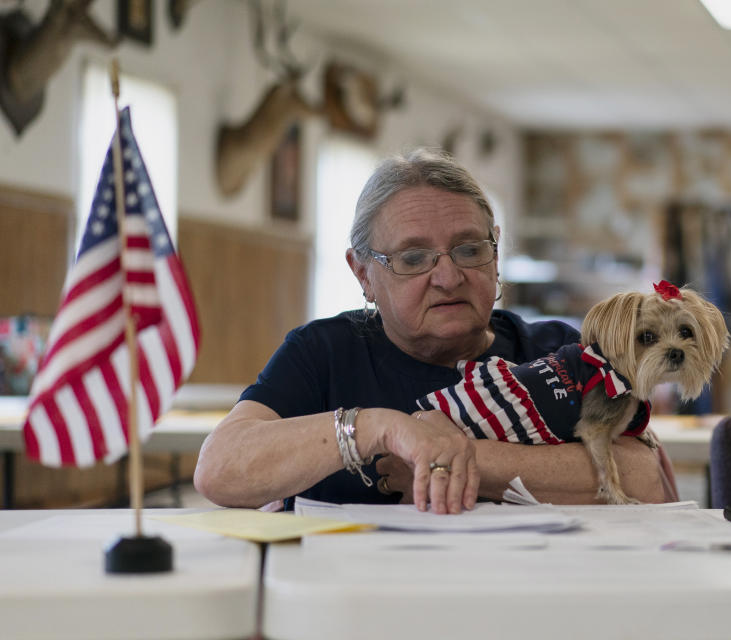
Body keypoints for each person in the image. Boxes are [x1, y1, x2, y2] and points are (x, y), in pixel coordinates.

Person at [193, 148, 676, 514]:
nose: (448, 277)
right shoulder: (324, 352)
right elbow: (220, 470)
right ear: (363, 274)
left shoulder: (560, 352)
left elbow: (642, 476)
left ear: (495, 251)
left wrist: (458, 459)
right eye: (413, 258)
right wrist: (379, 429)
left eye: (468, 249)